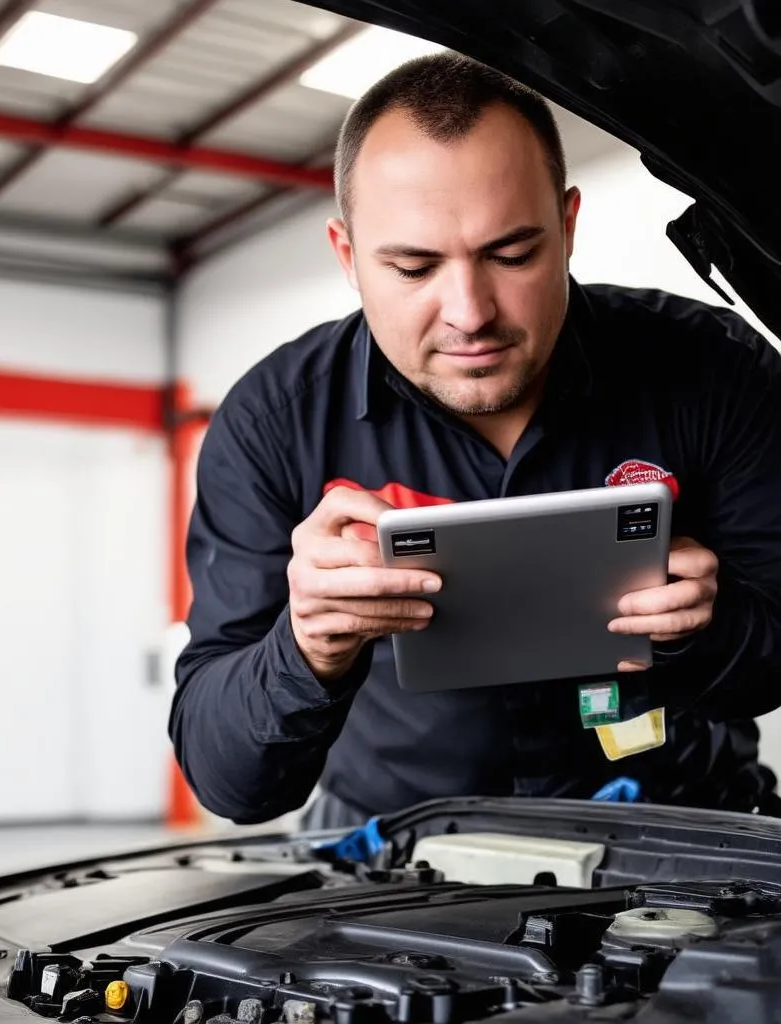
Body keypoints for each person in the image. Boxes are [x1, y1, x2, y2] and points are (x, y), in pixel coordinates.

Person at [169, 52, 781, 828]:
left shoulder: (713, 370)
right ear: (349, 257)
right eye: (414, 267)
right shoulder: (274, 422)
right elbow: (232, 786)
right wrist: (304, 648)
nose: (469, 312)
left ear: (567, 226)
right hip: (394, 866)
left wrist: (708, 626)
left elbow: (771, 662)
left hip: (682, 835)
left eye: (511, 254)